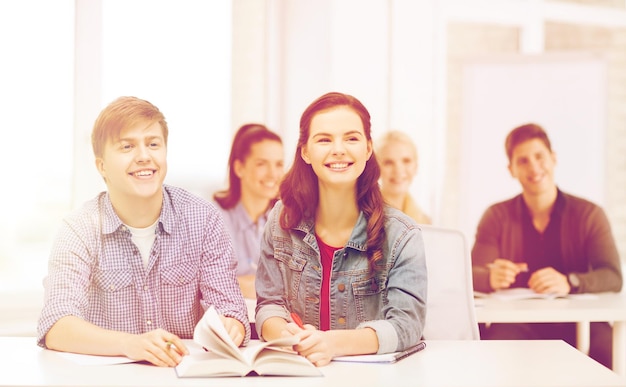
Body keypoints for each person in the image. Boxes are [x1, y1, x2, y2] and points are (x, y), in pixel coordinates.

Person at [36, 96, 250, 367]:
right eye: (127, 146)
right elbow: (57, 325)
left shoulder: (203, 218)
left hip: (184, 375)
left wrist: (231, 326)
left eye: (153, 144)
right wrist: (130, 345)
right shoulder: (78, 229)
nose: (144, 156)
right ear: (102, 166)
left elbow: (231, 309)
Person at [254, 91, 427, 367]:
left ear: (368, 149)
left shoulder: (402, 235)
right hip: (298, 370)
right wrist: (289, 337)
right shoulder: (281, 220)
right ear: (306, 152)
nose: (338, 149)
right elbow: (269, 305)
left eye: (351, 138)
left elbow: (407, 326)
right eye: (324, 139)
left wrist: (332, 344)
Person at [471, 122, 622, 368]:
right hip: (516, 325)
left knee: (608, 352)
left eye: (539, 157)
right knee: (491, 355)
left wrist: (570, 282)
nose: (534, 167)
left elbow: (613, 276)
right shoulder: (496, 216)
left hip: (580, 324)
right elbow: (469, 276)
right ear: (511, 169)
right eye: (523, 161)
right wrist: (490, 277)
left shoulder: (589, 214)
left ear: (553, 159)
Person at [213, 124, 284, 300]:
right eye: (262, 164)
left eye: (279, 164)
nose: (273, 174)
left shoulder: (287, 219)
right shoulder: (214, 218)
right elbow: (214, 284)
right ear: (239, 168)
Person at [375, 130, 432, 224]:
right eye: (388, 162)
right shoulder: (362, 217)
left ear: (416, 166)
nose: (398, 170)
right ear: (376, 168)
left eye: (406, 161)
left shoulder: (426, 222)